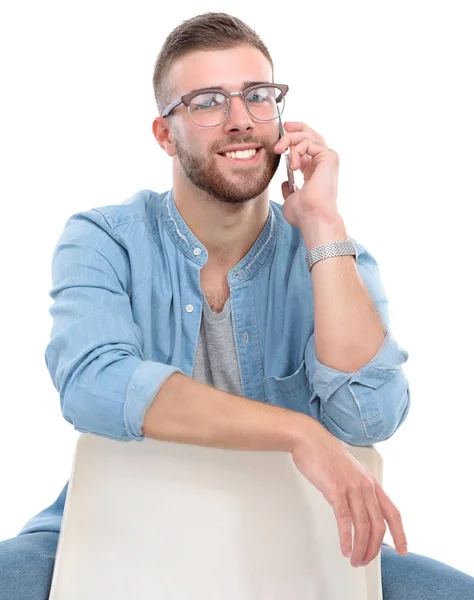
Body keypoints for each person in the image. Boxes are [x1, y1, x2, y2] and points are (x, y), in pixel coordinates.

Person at [1, 12, 473, 600]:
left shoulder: (333, 256)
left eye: (257, 96)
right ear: (164, 134)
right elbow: (96, 384)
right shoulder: (105, 239)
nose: (240, 120)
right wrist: (299, 433)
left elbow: (370, 417)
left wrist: (323, 225)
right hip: (116, 526)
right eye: (206, 102)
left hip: (305, 541)